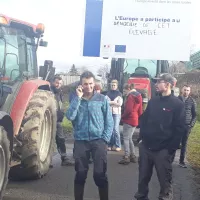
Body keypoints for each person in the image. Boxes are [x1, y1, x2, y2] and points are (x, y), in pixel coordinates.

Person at [134, 73, 185, 200]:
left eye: (158, 82)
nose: (155, 84)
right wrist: (142, 139)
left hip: (163, 151)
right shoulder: (153, 102)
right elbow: (144, 120)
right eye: (155, 82)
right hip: (146, 148)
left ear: (168, 85)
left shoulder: (177, 105)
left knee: (164, 183)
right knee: (142, 180)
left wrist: (170, 150)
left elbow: (179, 129)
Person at [66, 71, 113, 200]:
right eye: (85, 84)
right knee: (80, 174)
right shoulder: (76, 99)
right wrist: (78, 98)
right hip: (81, 141)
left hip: (98, 141)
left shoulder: (102, 99)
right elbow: (70, 116)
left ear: (94, 83)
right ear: (80, 85)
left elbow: (109, 121)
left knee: (99, 174)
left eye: (91, 83)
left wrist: (105, 139)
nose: (88, 86)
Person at [50, 76, 75, 166]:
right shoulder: (49, 92)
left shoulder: (59, 92)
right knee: (50, 140)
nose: (58, 85)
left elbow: (60, 105)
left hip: (58, 120)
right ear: (52, 82)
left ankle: (64, 158)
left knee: (60, 139)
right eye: (57, 83)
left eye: (60, 83)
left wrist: (62, 113)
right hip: (50, 120)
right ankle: (48, 161)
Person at [119, 83, 143, 165]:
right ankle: (133, 155)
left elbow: (128, 110)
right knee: (129, 138)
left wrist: (122, 117)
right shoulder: (139, 96)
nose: (124, 92)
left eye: (125, 90)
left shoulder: (130, 97)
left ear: (128, 89)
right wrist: (138, 118)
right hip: (135, 120)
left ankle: (126, 156)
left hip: (128, 120)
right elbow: (140, 111)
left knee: (125, 138)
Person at [177, 85, 197, 168]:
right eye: (185, 90)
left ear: (190, 91)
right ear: (182, 90)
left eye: (188, 90)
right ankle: (169, 160)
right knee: (174, 143)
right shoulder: (177, 99)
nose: (186, 92)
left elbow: (195, 115)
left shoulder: (192, 101)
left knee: (184, 144)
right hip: (177, 126)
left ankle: (181, 161)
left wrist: (190, 125)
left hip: (186, 126)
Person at [106, 80, 123, 151]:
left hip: (117, 113)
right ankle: (110, 144)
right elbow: (105, 102)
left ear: (117, 86)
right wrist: (114, 102)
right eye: (112, 85)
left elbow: (120, 104)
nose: (113, 86)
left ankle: (118, 145)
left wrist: (110, 103)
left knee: (116, 129)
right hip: (109, 113)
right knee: (110, 130)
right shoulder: (108, 93)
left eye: (114, 85)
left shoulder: (119, 94)